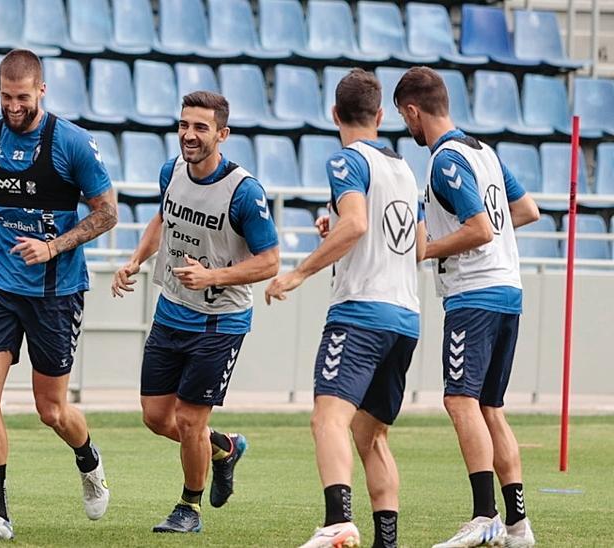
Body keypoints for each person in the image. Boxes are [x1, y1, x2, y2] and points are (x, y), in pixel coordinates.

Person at [0, 48, 116, 541]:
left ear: (41, 91)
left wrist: (52, 245)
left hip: (57, 290)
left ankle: (88, 458)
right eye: (6, 97)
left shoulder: (72, 143)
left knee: (50, 409)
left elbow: (107, 213)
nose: (14, 107)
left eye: (22, 98)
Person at [265, 69, 426, 548]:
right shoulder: (402, 167)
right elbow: (415, 246)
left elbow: (355, 224)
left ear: (334, 115)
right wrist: (335, 224)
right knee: (371, 436)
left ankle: (338, 521)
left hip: (360, 312)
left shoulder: (345, 162)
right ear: (379, 116)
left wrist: (298, 272)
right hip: (405, 317)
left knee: (327, 419)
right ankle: (387, 541)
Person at [111, 91, 277, 535]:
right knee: (156, 417)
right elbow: (161, 220)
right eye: (185, 124)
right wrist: (136, 260)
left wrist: (213, 278)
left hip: (219, 322)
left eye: (201, 127)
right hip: (171, 312)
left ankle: (189, 507)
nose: (189, 134)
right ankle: (224, 447)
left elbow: (270, 261)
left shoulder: (244, 193)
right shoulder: (171, 171)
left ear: (222, 134)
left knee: (188, 420)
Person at [392, 67, 539, 548]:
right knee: (490, 407)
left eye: (404, 117)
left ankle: (484, 517)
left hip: (474, 294)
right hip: (508, 289)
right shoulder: (485, 152)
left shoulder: (445, 160)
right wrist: (487, 243)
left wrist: (428, 249)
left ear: (413, 111)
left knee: (460, 400)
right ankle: (518, 527)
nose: (406, 127)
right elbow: (525, 210)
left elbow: (479, 228)